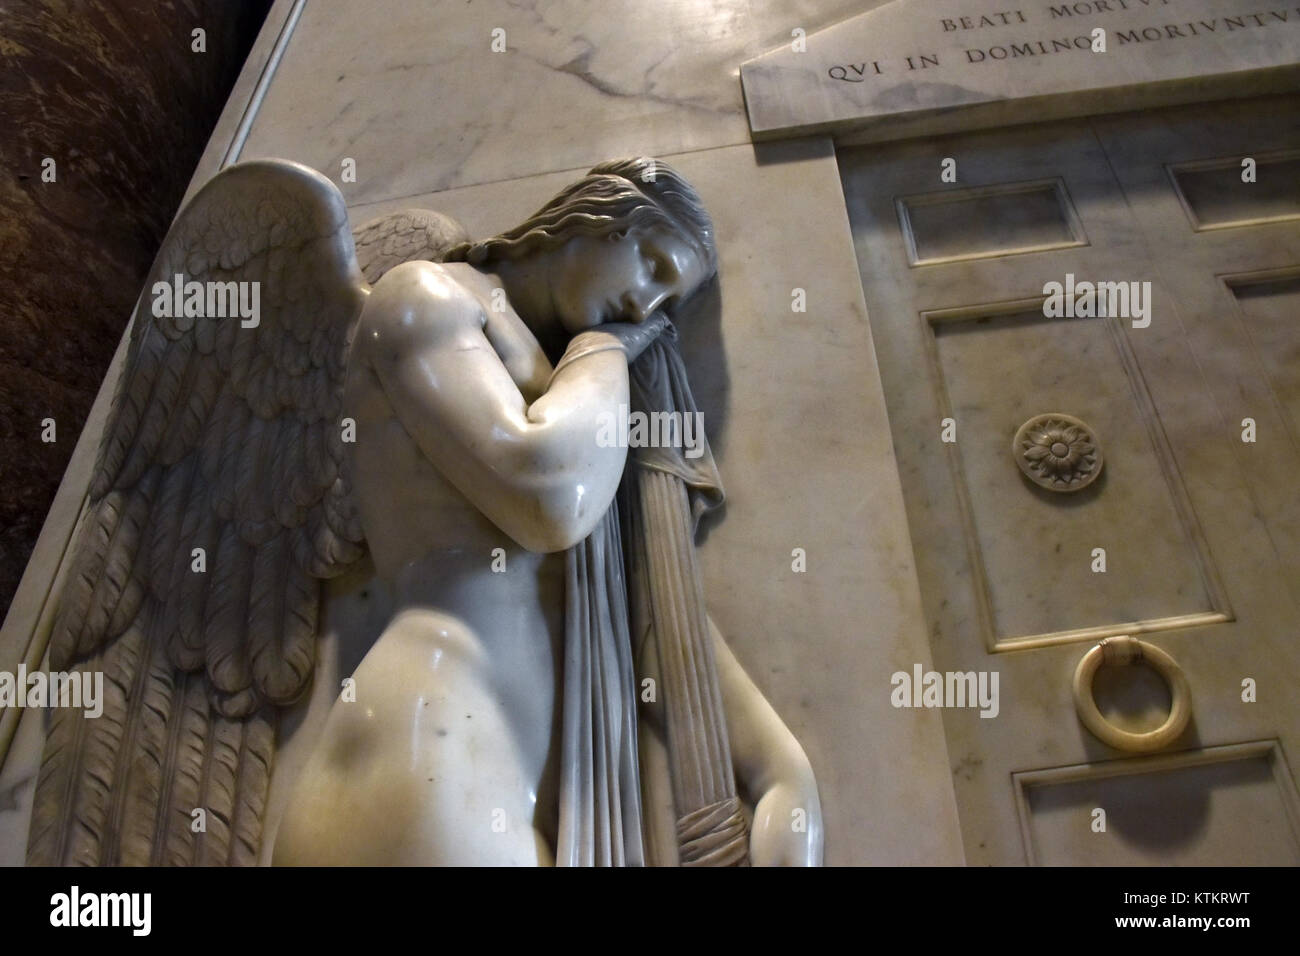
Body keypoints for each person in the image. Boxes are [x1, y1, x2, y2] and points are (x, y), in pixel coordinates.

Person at [272, 159, 820, 865]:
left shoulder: (578, 403)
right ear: (595, 220)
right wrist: (600, 353)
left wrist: (780, 771)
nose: (645, 309)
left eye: (667, 304)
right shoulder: (430, 298)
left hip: (509, 794)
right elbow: (547, 496)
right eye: (651, 266)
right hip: (426, 749)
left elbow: (656, 623)